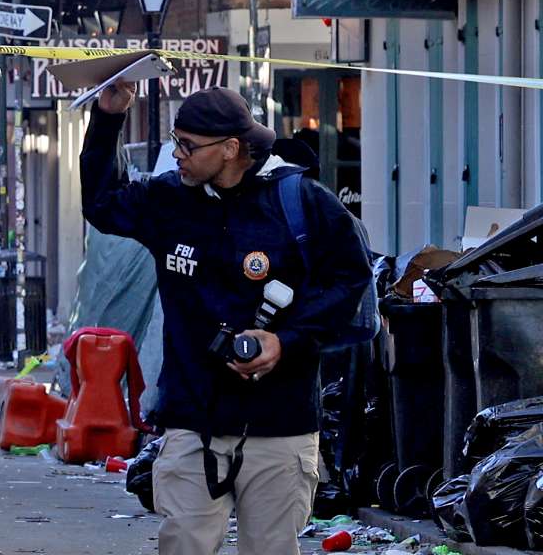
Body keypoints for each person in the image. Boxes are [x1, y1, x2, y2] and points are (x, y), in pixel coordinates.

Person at [81, 84, 371, 555]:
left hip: (280, 424)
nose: (177, 155)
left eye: (188, 146)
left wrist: (288, 340)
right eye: (175, 141)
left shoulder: (299, 201)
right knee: (184, 545)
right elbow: (101, 203)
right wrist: (108, 116)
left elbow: (350, 278)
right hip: (193, 418)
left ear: (232, 149)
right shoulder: (171, 200)